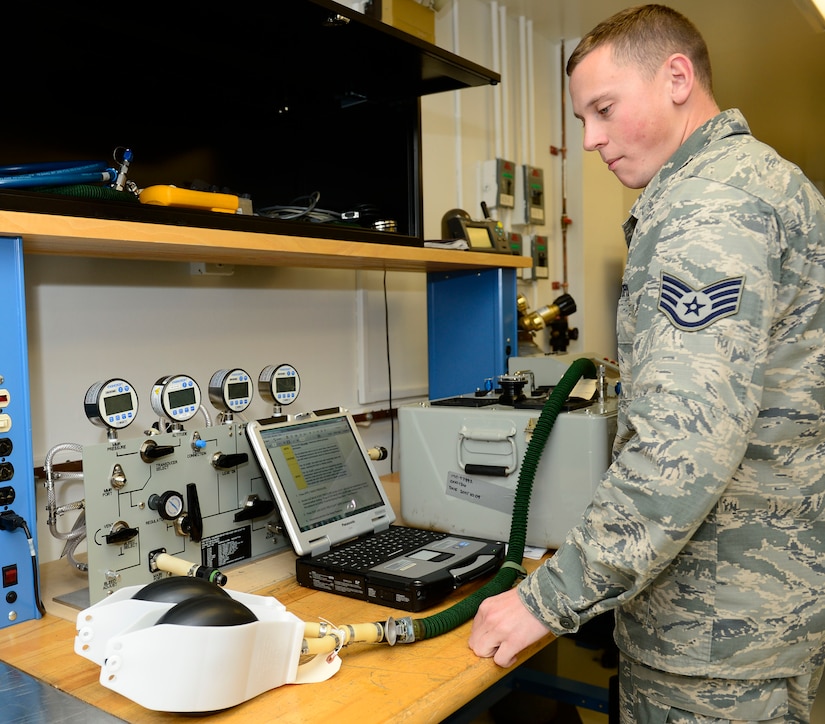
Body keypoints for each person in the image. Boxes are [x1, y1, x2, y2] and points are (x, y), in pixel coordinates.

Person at [468, 4, 825, 722]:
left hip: (710, 638)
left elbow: (681, 447)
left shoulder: (708, 207)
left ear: (675, 77)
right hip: (764, 612)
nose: (593, 140)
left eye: (604, 109)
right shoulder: (767, 181)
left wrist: (547, 598)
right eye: (582, 122)